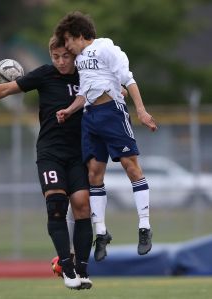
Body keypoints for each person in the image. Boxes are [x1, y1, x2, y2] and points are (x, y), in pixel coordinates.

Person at [0, 36, 93, 290]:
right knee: (56, 205)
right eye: (55, 57)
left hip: (78, 154)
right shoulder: (45, 75)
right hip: (50, 153)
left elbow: (115, 89)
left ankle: (82, 269)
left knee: (82, 205)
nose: (60, 62)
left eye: (65, 57)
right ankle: (67, 269)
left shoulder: (87, 75)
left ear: (75, 54)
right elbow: (3, 89)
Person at [54, 11, 158, 257]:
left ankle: (144, 226)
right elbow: (87, 91)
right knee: (94, 174)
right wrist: (69, 110)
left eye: (68, 39)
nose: (67, 46)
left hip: (112, 113)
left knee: (130, 166)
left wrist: (141, 111)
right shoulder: (80, 61)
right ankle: (101, 232)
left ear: (79, 35)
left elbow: (128, 80)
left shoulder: (107, 48)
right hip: (90, 118)